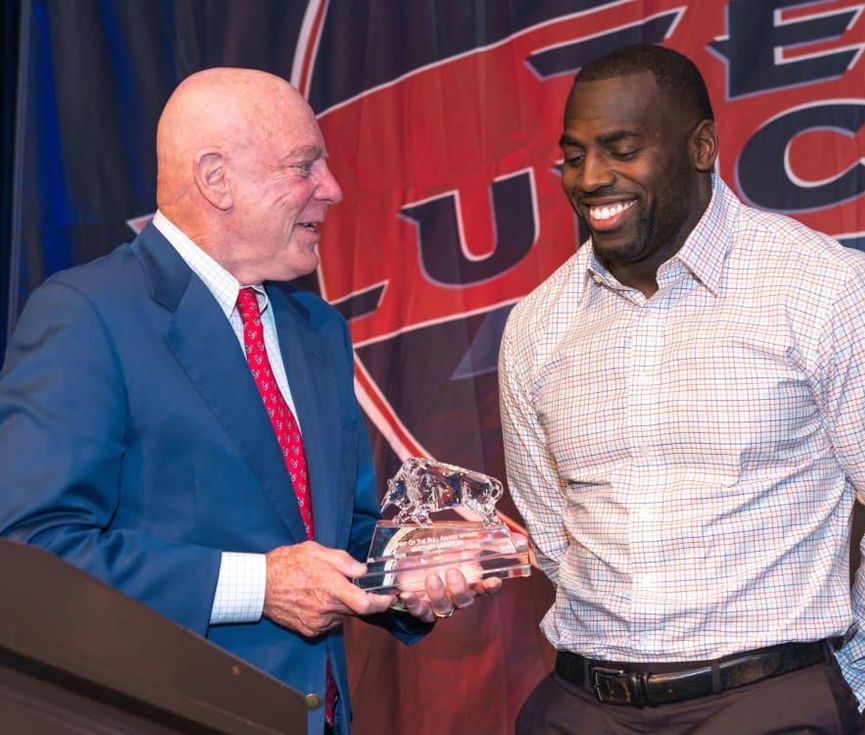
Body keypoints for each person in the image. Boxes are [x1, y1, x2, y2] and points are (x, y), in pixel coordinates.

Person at [499, 43, 865, 734]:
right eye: (574, 156)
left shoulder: (831, 290)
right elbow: (550, 527)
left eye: (621, 148)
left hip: (764, 707)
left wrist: (842, 677)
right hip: (580, 707)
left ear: (700, 147)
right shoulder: (536, 326)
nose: (591, 178)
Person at [0, 68, 498, 735]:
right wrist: (259, 585)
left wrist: (412, 569)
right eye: (304, 166)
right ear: (216, 179)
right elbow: (32, 552)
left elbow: (337, 534)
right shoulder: (88, 315)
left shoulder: (317, 328)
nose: (333, 188)